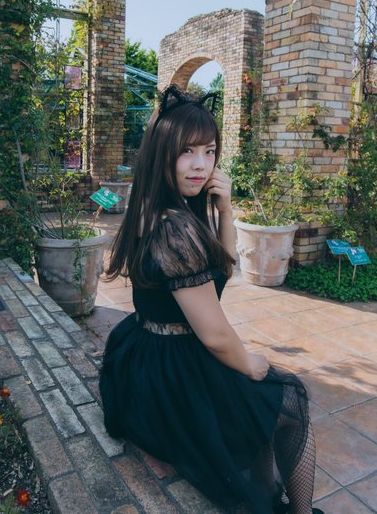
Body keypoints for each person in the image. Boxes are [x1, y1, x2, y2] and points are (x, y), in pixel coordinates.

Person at [99, 85, 323, 514]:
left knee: (256, 410)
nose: (201, 165)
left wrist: (226, 209)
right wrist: (249, 363)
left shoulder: (153, 204)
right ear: (162, 153)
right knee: (289, 404)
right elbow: (216, 335)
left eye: (209, 151)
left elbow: (223, 269)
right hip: (175, 368)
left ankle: (264, 496)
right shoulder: (176, 228)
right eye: (187, 152)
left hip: (145, 351)